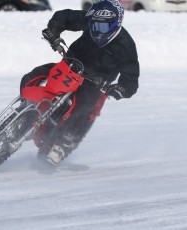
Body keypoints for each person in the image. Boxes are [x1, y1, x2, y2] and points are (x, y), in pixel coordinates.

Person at [20, 0, 140, 165]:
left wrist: (121, 89)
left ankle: (63, 144)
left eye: (104, 27)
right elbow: (64, 16)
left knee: (85, 107)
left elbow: (131, 79)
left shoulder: (126, 45)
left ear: (116, 24)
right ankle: (22, 111)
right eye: (95, 25)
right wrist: (53, 30)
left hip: (95, 82)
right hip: (69, 65)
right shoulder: (88, 19)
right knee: (32, 76)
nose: (98, 30)